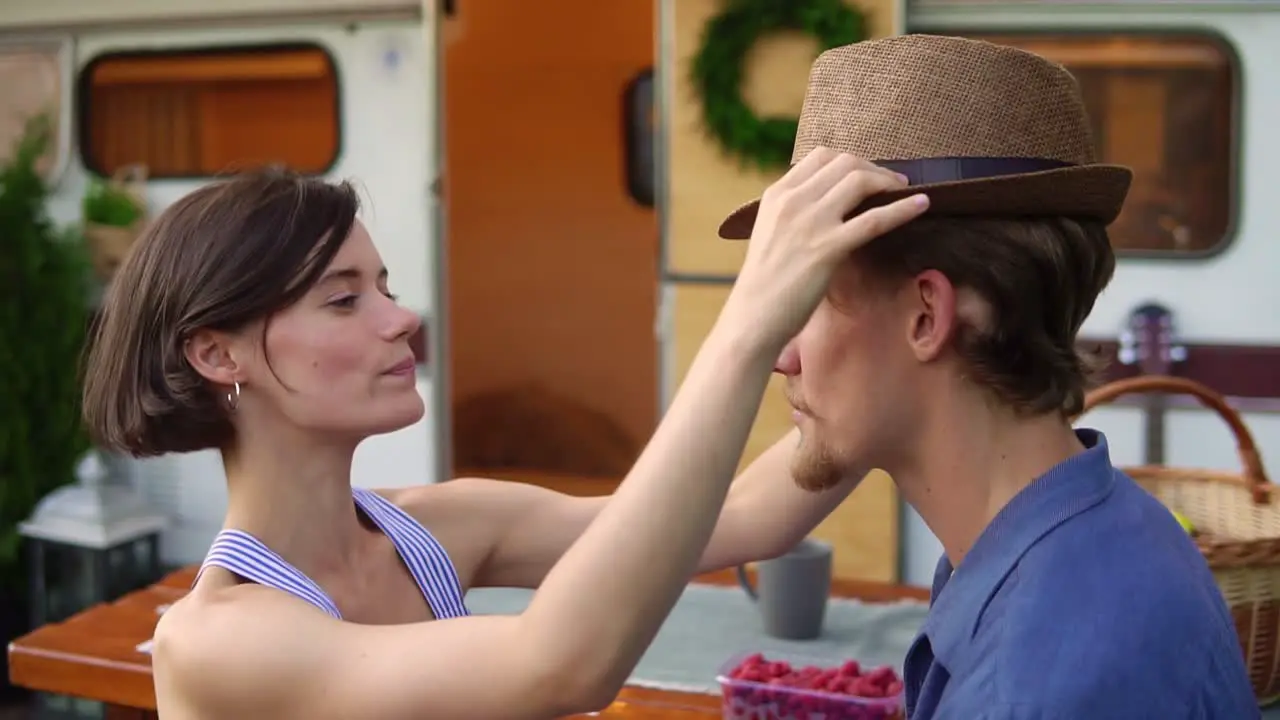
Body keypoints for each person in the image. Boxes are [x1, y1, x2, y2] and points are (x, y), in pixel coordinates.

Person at [80, 149, 928, 718]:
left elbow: (745, 517)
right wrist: (748, 324)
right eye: (343, 300)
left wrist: (904, 359)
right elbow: (558, 663)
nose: (399, 317)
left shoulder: (439, 529)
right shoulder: (214, 642)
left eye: (384, 284)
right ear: (217, 353)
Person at [714, 34, 1258, 719]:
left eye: (811, 300)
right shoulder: (1103, 532)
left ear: (926, 315)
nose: (780, 354)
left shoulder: (1029, 685)